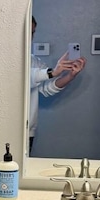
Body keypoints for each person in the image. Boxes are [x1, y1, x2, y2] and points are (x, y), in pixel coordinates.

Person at [29, 17, 86, 154]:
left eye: (32, 33)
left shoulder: (34, 61)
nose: (30, 37)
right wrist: (52, 72)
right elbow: (22, 77)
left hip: (27, 132)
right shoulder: (1, 58)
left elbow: (47, 87)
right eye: (27, 32)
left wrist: (70, 76)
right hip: (3, 130)